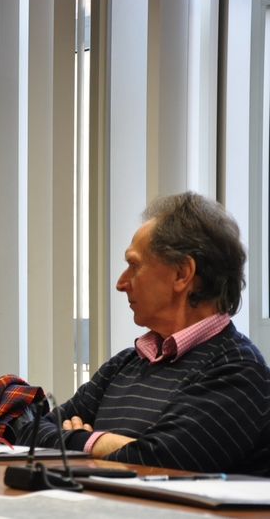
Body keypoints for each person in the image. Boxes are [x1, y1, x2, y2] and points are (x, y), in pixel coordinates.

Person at [16, 192, 270, 476]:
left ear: (181, 274)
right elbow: (29, 434)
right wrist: (106, 443)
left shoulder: (239, 371)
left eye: (134, 265)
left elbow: (162, 462)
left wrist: (80, 441)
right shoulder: (124, 364)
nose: (121, 283)